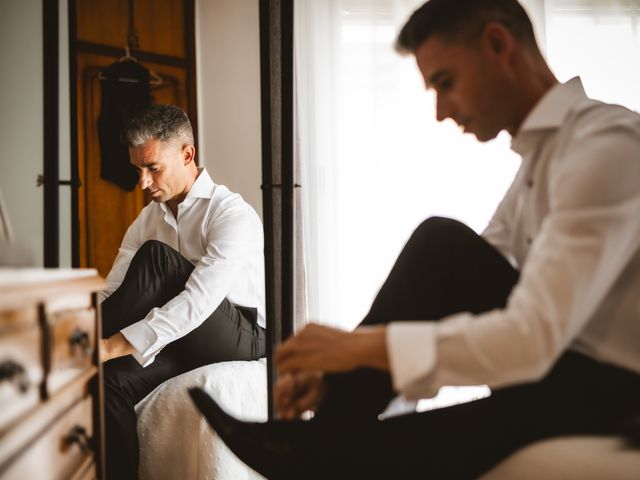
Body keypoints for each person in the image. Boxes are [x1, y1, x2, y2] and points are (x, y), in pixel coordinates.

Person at [189, 0, 640, 478]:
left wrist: (356, 350)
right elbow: (449, 294)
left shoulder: (606, 145)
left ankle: (317, 442)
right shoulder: (542, 162)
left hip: (618, 394)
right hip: (567, 383)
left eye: (446, 83)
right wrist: (333, 374)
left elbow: (530, 338)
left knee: (438, 242)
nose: (442, 111)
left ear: (497, 44)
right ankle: (322, 434)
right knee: (440, 256)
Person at [98, 104, 266, 480]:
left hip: (241, 336)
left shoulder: (231, 214)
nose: (142, 182)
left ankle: (70, 349)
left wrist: (108, 346)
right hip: (182, 338)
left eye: (153, 168)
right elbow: (114, 289)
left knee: (158, 259)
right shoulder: (148, 219)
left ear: (187, 155)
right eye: (137, 170)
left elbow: (198, 301)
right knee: (109, 382)